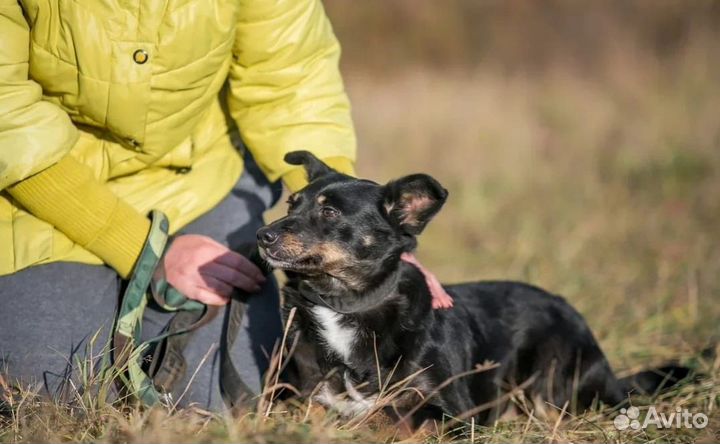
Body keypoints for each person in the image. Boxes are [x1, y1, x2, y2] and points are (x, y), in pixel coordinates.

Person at [0, 0, 450, 410]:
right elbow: (9, 119)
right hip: (39, 195)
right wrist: (144, 249)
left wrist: (371, 242)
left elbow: (291, 86)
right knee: (50, 397)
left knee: (228, 403)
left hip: (201, 183)